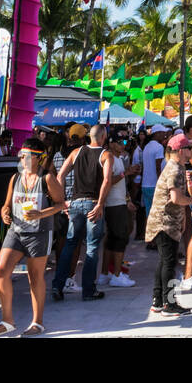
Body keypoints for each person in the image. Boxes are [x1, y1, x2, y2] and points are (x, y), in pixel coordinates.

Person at [0, 138, 66, 336]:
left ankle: (37, 322)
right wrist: (5, 213)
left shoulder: (47, 178)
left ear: (38, 158)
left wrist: (41, 214)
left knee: (35, 277)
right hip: (16, 230)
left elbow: (61, 204)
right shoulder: (15, 178)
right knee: (1, 271)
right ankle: (7, 321)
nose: (22, 160)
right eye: (21, 156)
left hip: (39, 233)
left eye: (27, 156)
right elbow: (5, 205)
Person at [51, 124, 113, 302]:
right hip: (93, 203)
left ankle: (57, 285)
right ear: (102, 137)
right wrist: (100, 203)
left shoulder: (76, 152)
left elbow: (60, 176)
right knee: (92, 248)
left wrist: (62, 201)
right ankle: (88, 290)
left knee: (70, 245)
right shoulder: (106, 155)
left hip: (76, 203)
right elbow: (107, 180)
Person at [146, 132, 192, 316]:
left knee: (164, 262)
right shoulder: (175, 169)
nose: (191, 151)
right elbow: (176, 198)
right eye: (189, 148)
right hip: (165, 223)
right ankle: (169, 304)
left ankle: (158, 301)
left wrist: (183, 219)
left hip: (164, 221)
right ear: (180, 151)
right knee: (169, 263)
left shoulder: (174, 166)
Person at [98, 138, 137, 287]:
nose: (123, 145)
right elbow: (107, 181)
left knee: (113, 238)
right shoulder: (109, 158)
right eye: (120, 142)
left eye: (125, 142)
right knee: (120, 237)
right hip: (112, 203)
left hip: (119, 202)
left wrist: (127, 200)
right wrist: (125, 173)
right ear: (111, 143)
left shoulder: (119, 158)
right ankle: (116, 275)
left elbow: (121, 183)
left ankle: (105, 274)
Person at [140, 125, 168, 249]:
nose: (165, 135)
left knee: (148, 213)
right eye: (163, 133)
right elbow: (158, 167)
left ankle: (149, 240)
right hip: (154, 185)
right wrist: (161, 184)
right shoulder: (158, 147)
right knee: (157, 214)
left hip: (145, 184)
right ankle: (154, 241)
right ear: (157, 134)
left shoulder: (146, 147)